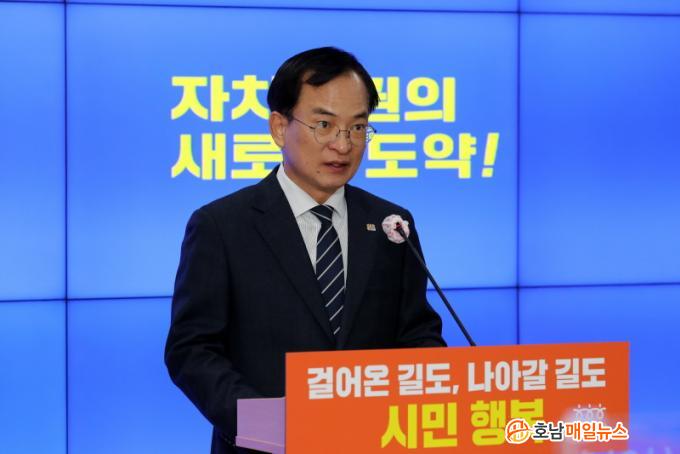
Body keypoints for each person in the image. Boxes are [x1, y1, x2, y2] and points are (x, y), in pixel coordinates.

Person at [165, 47, 445, 454]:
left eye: (358, 127)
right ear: (279, 127)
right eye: (324, 125)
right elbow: (191, 350)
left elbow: (418, 334)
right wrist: (264, 423)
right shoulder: (222, 226)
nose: (343, 145)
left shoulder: (391, 224)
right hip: (265, 448)